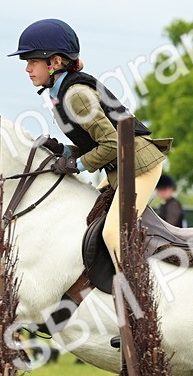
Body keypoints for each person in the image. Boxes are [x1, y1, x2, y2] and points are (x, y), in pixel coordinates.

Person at [10, 18, 175, 266]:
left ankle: (136, 289)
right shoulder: (63, 92)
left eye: (32, 61)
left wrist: (76, 165)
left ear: (55, 62)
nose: (27, 68)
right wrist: (63, 151)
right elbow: (96, 145)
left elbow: (111, 144)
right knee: (86, 215)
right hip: (121, 166)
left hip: (139, 166)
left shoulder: (76, 95)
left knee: (113, 235)